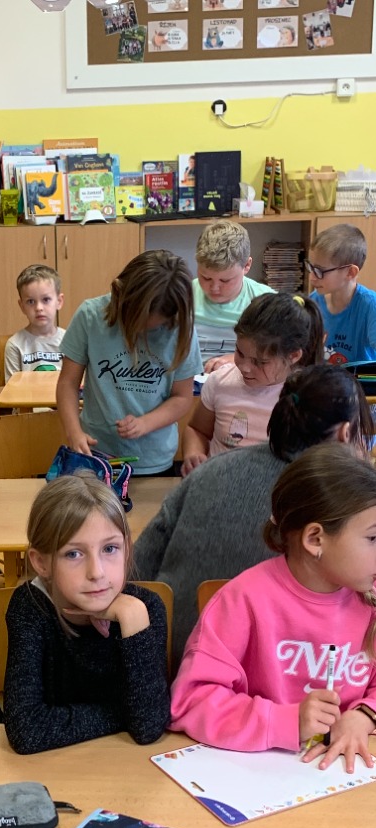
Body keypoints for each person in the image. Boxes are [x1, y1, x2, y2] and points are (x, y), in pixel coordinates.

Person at [134, 364, 374, 664]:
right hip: (272, 671)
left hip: (165, 655)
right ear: (345, 433)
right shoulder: (347, 501)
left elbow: (138, 567)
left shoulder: (211, 470)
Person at [170, 442, 376, 773]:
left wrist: (363, 716)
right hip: (257, 775)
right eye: (373, 539)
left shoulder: (369, 596)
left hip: (344, 777)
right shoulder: (243, 600)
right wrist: (286, 721)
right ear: (315, 539)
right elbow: (191, 702)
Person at [4, 471, 170, 756]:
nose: (97, 572)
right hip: (54, 766)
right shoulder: (30, 608)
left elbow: (148, 726)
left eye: (110, 549)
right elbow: (26, 731)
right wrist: (123, 713)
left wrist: (133, 621)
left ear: (127, 550)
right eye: (74, 554)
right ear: (41, 562)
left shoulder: (144, 609)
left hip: (126, 764)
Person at [57, 249, 201, 476]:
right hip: (97, 454)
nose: (139, 332)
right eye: (133, 321)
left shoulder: (182, 330)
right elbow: (68, 383)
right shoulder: (90, 316)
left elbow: (182, 398)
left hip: (153, 458)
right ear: (119, 294)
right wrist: (74, 432)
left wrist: (145, 423)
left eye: (151, 327)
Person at [181, 293, 324, 475]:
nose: (245, 367)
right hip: (219, 484)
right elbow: (197, 429)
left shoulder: (309, 398)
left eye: (260, 362)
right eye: (239, 353)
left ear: (293, 355)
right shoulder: (220, 382)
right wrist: (193, 454)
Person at [192, 220, 276, 371]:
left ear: (247, 266)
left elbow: (280, 355)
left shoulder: (266, 302)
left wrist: (236, 359)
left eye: (225, 280)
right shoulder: (182, 295)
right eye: (206, 278)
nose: (214, 288)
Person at [306, 224, 376, 365]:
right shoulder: (314, 301)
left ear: (350, 272)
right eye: (311, 267)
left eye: (320, 271)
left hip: (358, 378)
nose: (311, 277)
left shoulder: (370, 305)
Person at [4, 264, 65, 381]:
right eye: (31, 301)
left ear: (59, 301)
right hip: (26, 394)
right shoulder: (15, 345)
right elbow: (12, 389)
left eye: (46, 299)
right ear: (22, 306)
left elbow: (75, 384)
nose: (39, 308)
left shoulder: (69, 341)